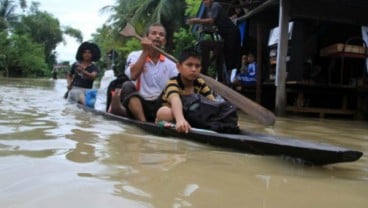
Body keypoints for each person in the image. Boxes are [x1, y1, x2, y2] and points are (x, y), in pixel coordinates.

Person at [109, 23, 178, 122]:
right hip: (139, 103)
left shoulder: (170, 62)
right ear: (146, 38)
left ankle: (161, 120)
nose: (157, 36)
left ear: (165, 41)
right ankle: (143, 122)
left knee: (175, 88)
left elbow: (177, 83)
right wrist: (146, 51)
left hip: (161, 103)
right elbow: (133, 76)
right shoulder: (135, 56)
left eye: (161, 35)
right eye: (154, 33)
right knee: (127, 86)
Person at [156, 49, 215, 133]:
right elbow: (175, 99)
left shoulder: (200, 83)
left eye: (197, 66)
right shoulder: (173, 83)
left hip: (191, 116)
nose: (194, 69)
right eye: (189, 65)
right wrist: (180, 119)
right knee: (164, 112)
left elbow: (212, 102)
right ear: (178, 67)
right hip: (173, 117)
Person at [188, 0, 241, 83]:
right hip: (225, 35)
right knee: (224, 57)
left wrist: (197, 20)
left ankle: (230, 81)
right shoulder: (210, 10)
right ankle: (224, 80)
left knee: (231, 58)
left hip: (231, 33)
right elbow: (211, 23)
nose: (205, 2)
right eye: (203, 0)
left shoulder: (215, 5)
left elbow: (211, 21)